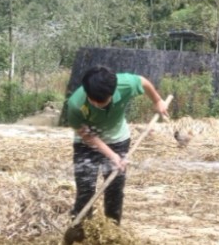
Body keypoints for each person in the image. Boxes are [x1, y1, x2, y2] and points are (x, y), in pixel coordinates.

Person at [65, 66, 167, 225]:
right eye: (94, 101)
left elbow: (143, 81)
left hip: (118, 139)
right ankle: (80, 231)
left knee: (114, 189)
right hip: (86, 144)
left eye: (103, 101)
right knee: (86, 189)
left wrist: (157, 100)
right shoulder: (75, 105)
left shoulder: (125, 84)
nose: (98, 105)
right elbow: (87, 136)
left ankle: (112, 231)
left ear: (112, 93)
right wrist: (112, 155)